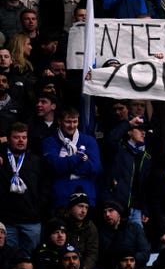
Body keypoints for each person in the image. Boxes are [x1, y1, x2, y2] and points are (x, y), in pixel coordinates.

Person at [42, 107, 102, 209]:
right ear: (59, 121)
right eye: (68, 122)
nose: (72, 126)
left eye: (75, 122)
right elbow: (56, 166)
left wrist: (66, 162)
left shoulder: (89, 141)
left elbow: (95, 168)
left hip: (86, 198)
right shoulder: (50, 142)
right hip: (61, 198)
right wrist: (79, 158)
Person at [0, 123, 45, 255]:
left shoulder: (36, 161)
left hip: (31, 219)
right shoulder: (2, 160)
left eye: (24, 137)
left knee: (31, 258)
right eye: (16, 137)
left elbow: (44, 187)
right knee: (8, 257)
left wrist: (38, 207)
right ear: (8, 140)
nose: (20, 140)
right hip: (7, 220)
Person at [97, 200, 151, 269]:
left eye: (111, 211)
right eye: (104, 212)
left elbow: (145, 252)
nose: (107, 214)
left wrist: (129, 261)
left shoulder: (134, 228)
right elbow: (102, 258)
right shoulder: (101, 233)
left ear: (119, 213)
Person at [64, 191, 99, 269]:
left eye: (86, 207)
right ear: (71, 207)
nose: (84, 211)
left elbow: (92, 254)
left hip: (82, 268)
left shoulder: (90, 227)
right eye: (80, 206)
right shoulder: (60, 224)